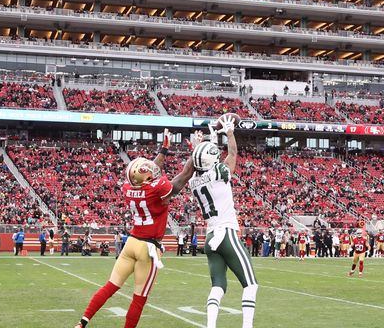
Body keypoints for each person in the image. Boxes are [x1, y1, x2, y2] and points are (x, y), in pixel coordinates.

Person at [74, 129, 196, 328]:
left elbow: (151, 172)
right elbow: (184, 175)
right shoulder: (157, 189)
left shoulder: (130, 188)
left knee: (110, 286)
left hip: (131, 242)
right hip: (147, 248)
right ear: (146, 178)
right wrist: (196, 151)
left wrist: (164, 149)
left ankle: (82, 322)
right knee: (139, 298)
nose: (152, 170)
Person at [188, 115, 258, 328]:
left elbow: (204, 161)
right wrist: (229, 132)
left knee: (218, 286)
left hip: (210, 236)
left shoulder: (192, 181)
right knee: (251, 285)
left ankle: (211, 326)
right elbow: (233, 154)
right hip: (226, 233)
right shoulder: (219, 171)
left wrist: (203, 143)